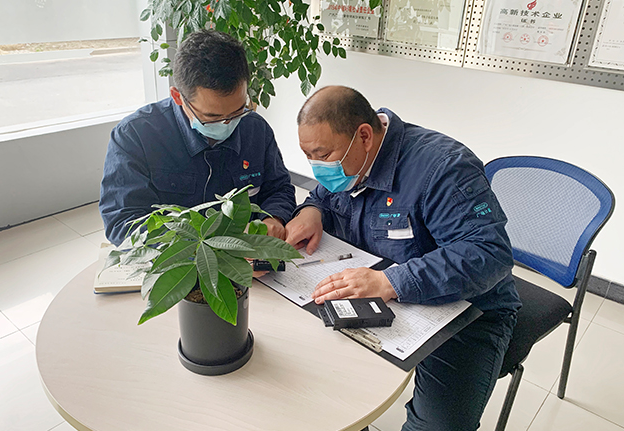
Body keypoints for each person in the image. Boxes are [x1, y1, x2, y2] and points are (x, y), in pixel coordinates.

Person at [285, 86, 521, 431]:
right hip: (377, 298)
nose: (318, 168)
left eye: (323, 156)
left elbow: (489, 252)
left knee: (438, 427)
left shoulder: (444, 167)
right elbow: (324, 195)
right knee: (320, 393)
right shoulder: (352, 163)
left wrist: (390, 281)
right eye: (309, 157)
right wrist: (311, 210)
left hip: (467, 310)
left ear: (364, 136)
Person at [99, 30, 295, 246]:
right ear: (178, 97)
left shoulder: (256, 129)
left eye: (238, 111)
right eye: (212, 117)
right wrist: (201, 247)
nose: (227, 123)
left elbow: (279, 189)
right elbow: (123, 221)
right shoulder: (135, 136)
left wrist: (273, 219)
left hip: (251, 257)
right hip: (179, 260)